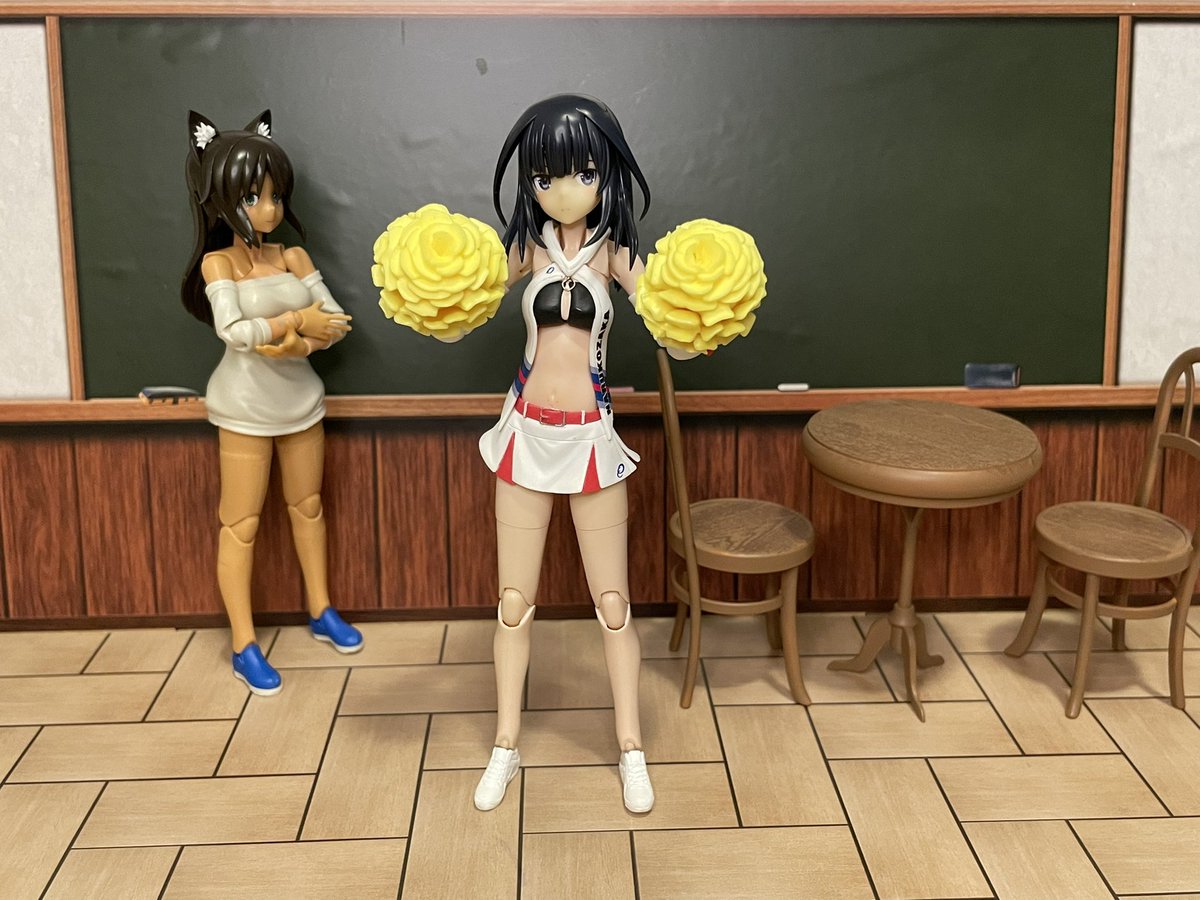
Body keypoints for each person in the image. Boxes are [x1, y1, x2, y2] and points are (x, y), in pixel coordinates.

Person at [473, 94, 659, 814]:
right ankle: (506, 744)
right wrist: (436, 298)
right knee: (513, 603)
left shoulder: (615, 253)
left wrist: (698, 323)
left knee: (612, 605)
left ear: (606, 172)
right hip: (526, 431)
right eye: (545, 176)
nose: (564, 190)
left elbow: (668, 316)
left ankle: (631, 747)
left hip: (590, 438)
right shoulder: (528, 249)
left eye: (582, 173)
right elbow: (468, 298)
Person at [181, 110, 362, 696]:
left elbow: (335, 322)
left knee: (308, 507)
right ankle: (244, 642)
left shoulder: (292, 257)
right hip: (243, 408)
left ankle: (321, 608)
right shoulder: (219, 263)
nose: (269, 208)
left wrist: (295, 341)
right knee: (241, 523)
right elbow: (234, 332)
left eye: (275, 195)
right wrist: (295, 323)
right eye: (253, 197)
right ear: (221, 200)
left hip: (301, 400)